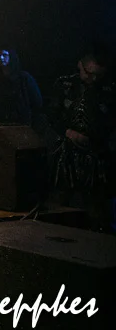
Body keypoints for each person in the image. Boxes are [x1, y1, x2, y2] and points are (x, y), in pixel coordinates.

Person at [46, 43, 115, 231]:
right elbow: (51, 115)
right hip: (66, 155)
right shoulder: (65, 85)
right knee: (58, 204)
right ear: (80, 66)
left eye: (98, 75)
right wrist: (67, 132)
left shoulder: (108, 90)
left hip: (96, 159)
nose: (93, 79)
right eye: (89, 73)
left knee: (97, 211)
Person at [0, 48, 42, 127]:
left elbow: (37, 100)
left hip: (21, 122)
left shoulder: (23, 77)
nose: (1, 58)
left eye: (4, 55)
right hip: (0, 121)